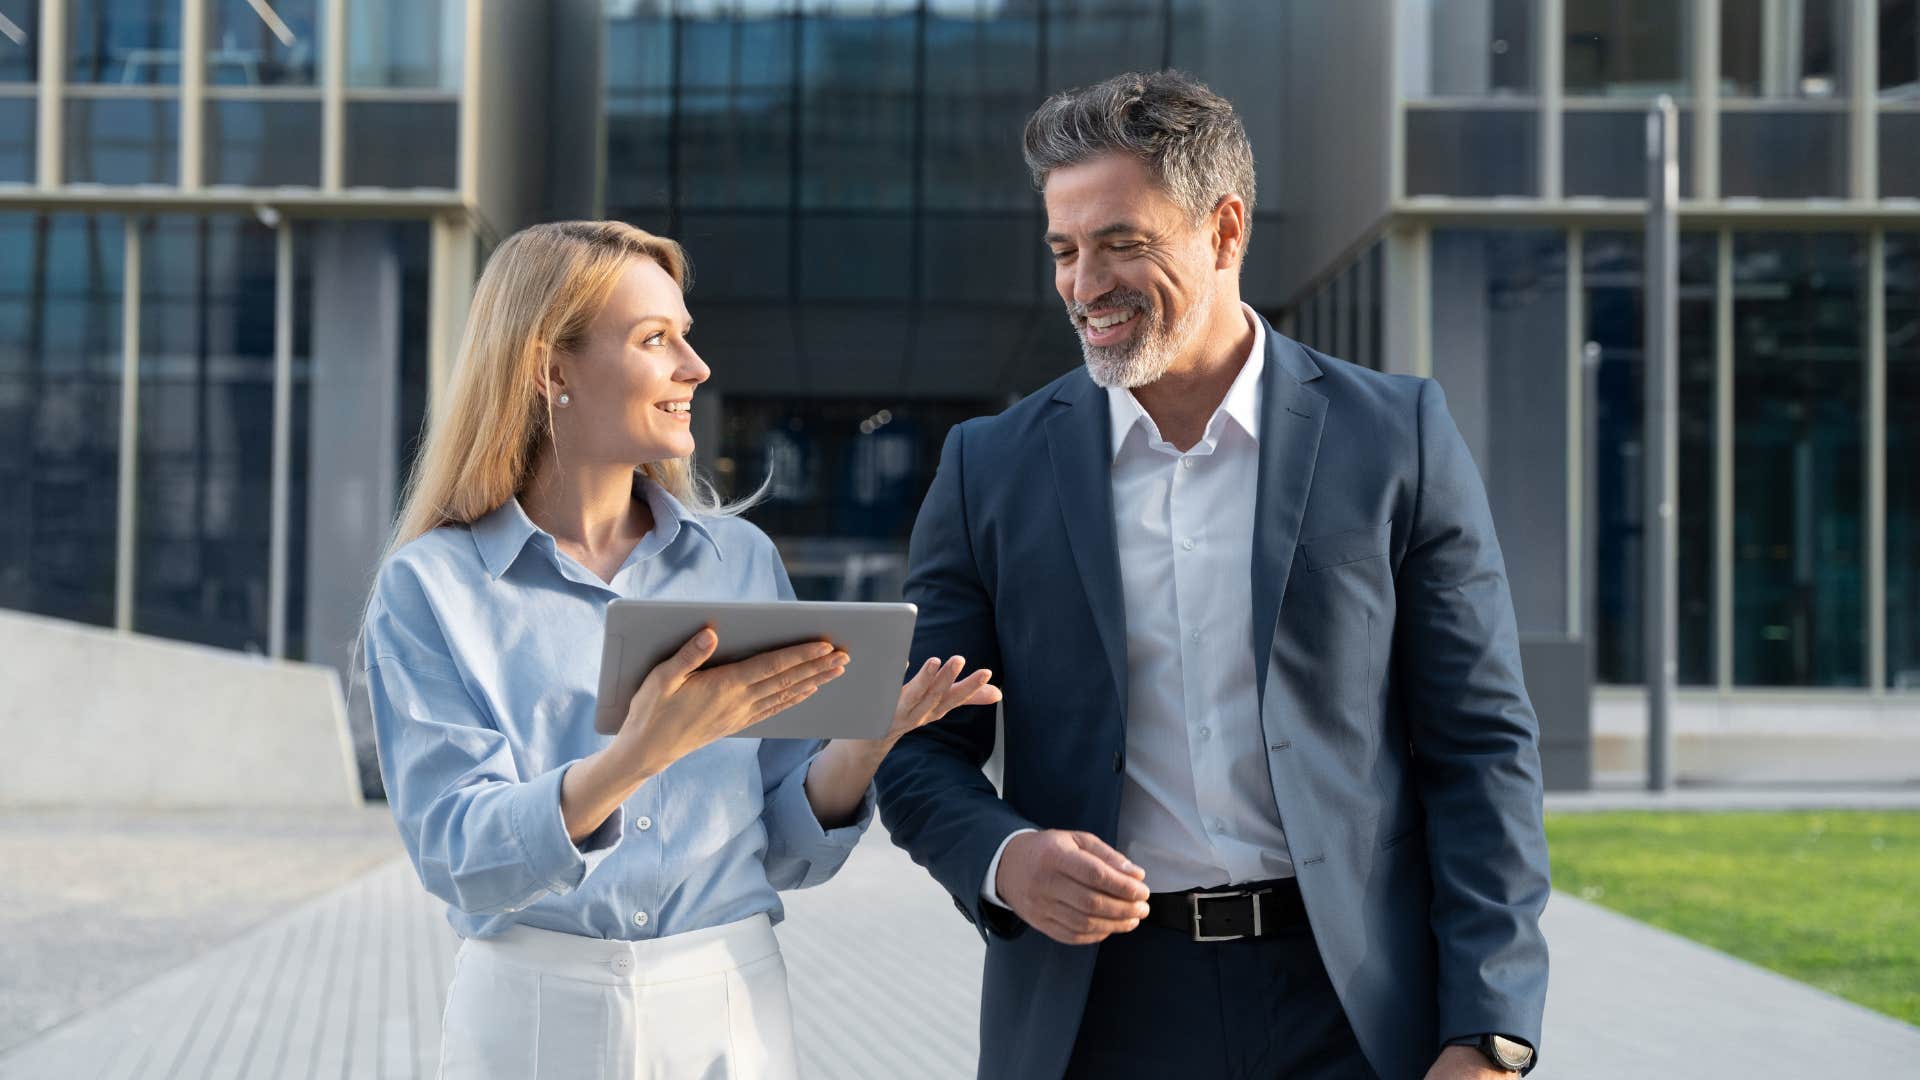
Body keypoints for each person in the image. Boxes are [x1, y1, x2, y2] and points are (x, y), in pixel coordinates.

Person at [876, 72, 1550, 1080]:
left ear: (1225, 229)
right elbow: (915, 748)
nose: (1083, 283)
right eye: (1064, 250)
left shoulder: (1395, 437)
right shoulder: (991, 467)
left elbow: (1481, 747)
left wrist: (1489, 1031)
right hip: (1096, 1014)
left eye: (1121, 243)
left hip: (1355, 1012)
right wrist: (1006, 860)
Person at [362, 220, 1000, 1079]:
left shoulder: (740, 561)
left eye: (686, 339)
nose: (694, 370)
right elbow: (456, 854)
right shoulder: (431, 587)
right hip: (530, 1017)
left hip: (728, 1009)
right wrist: (637, 757)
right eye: (654, 340)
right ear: (552, 367)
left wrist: (863, 747)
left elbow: (781, 843)